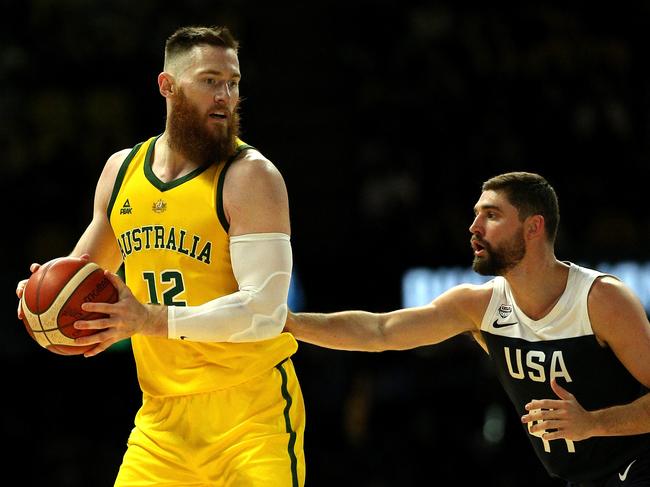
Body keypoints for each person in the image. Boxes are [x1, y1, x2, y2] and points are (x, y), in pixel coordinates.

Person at [16, 25, 305, 486]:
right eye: (210, 81)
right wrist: (42, 296)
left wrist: (148, 319)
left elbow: (265, 312)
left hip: (250, 418)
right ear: (167, 86)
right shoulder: (122, 170)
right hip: (161, 423)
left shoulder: (252, 177)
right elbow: (84, 277)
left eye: (233, 83)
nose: (225, 96)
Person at [285, 171, 650, 486]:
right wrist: (291, 324)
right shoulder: (480, 306)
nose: (474, 228)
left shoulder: (599, 299)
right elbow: (381, 331)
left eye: (491, 215)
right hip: (583, 477)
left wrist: (592, 424)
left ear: (534, 226)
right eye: (476, 215)